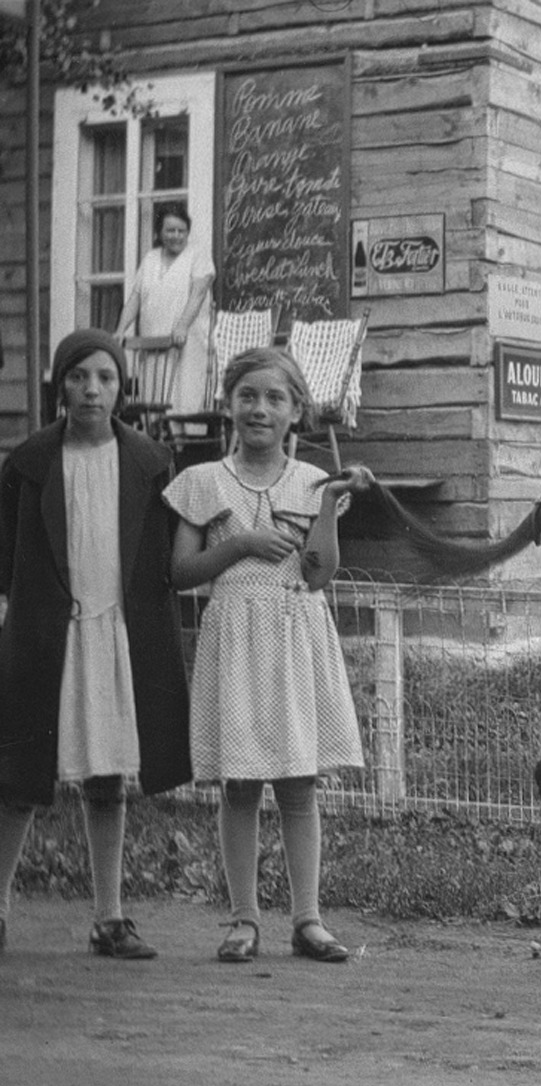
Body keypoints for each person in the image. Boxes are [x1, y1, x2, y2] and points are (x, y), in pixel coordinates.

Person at [163, 347, 370, 963]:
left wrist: (329, 505)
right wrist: (244, 543)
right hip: (234, 638)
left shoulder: (311, 482)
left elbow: (317, 576)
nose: (260, 408)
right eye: (248, 395)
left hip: (293, 633)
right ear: (228, 404)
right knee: (242, 786)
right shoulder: (202, 481)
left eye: (275, 398)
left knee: (299, 784)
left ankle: (307, 920)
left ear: (296, 412)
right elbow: (180, 572)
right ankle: (243, 919)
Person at [0, 329, 193, 958]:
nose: (91, 390)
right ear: (61, 386)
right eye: (79, 377)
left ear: (121, 387)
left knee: (107, 777)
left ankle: (109, 917)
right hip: (46, 636)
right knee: (20, 778)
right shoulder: (28, 464)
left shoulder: (150, 461)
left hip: (117, 635)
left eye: (105, 378)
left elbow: (165, 557)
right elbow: (8, 558)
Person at [114, 204, 216, 416]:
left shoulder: (198, 255)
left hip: (185, 341)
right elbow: (136, 297)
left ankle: (181, 441)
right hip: (153, 341)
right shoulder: (151, 258)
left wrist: (182, 326)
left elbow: (198, 294)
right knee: (153, 395)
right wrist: (121, 329)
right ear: (160, 233)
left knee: (182, 396)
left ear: (188, 232)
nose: (176, 236)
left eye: (181, 231)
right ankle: (155, 439)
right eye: (170, 230)